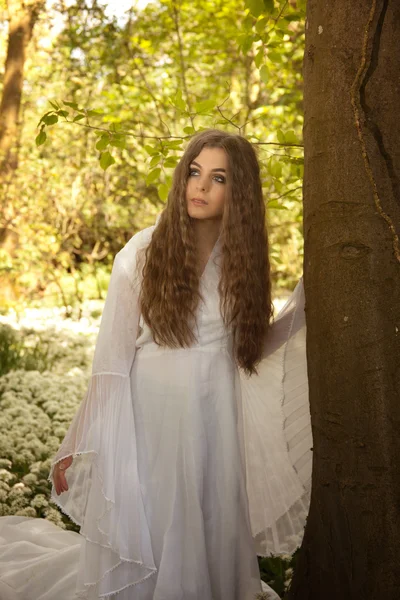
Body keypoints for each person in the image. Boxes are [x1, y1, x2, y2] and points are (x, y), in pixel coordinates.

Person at [11, 129, 311, 600]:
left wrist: (303, 307)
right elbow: (110, 360)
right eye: (194, 173)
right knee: (157, 523)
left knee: (209, 516)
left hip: (216, 419)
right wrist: (78, 440)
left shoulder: (243, 262)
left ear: (240, 193)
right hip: (152, 417)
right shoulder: (144, 252)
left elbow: (248, 346)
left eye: (218, 178)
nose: (201, 187)